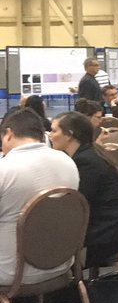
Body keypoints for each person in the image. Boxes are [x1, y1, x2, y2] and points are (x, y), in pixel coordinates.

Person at [49, 112, 118, 271]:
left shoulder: (86, 162)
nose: (50, 135)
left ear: (69, 135)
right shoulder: (90, 153)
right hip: (114, 228)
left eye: (54, 131)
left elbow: (79, 204)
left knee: (51, 251)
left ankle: (68, 292)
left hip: (112, 233)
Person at [0, 109, 80, 288]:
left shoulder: (4, 169)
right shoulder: (68, 162)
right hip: (60, 265)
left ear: (9, 134)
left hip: (11, 272)